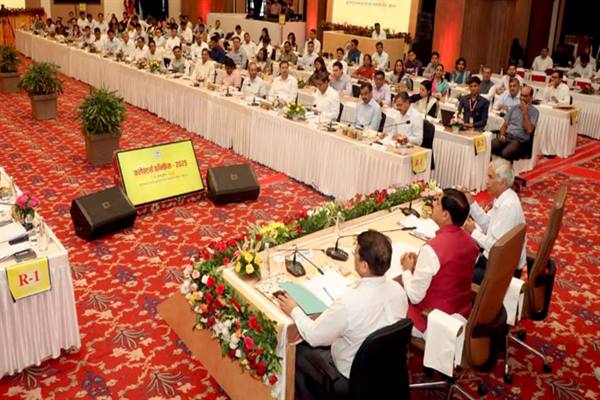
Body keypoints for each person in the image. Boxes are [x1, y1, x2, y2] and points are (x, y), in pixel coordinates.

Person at [277, 230, 407, 399]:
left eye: (355, 253)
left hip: (350, 376)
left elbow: (314, 336)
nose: (353, 255)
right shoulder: (399, 290)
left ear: (364, 266)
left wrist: (294, 310)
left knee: (298, 351)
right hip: (386, 370)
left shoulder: (348, 303)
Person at [398, 189, 478, 337]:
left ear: (445, 215)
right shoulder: (471, 243)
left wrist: (407, 270)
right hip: (462, 313)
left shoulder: (432, 249)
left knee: (389, 298)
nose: (433, 204)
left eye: (438, 202)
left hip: (433, 321)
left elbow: (414, 296)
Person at [463, 159, 527, 284]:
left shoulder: (508, 207)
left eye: (490, 177)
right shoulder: (506, 197)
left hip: (500, 271)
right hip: (496, 261)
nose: (486, 181)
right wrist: (471, 202)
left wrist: (473, 232)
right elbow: (489, 225)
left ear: (502, 182)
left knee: (457, 274)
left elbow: (495, 246)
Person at [492, 86, 539, 160]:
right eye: (521, 95)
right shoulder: (514, 108)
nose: (522, 98)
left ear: (531, 98)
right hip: (507, 136)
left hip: (519, 141)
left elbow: (529, 130)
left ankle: (501, 166)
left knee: (505, 153)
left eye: (525, 96)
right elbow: (504, 126)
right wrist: (502, 135)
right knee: (489, 146)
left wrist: (525, 112)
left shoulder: (534, 112)